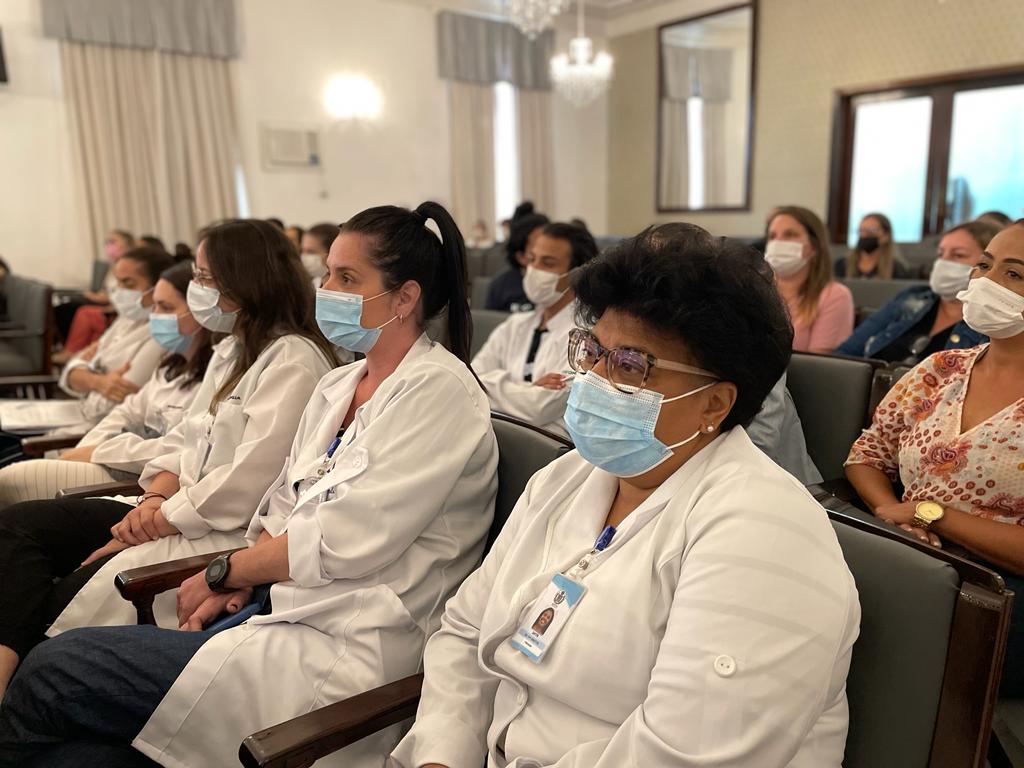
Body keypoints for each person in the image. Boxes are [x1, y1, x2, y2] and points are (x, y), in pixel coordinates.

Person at [0, 202, 499, 768]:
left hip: (346, 649)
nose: (325, 289)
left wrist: (226, 571)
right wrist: (241, 581)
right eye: (327, 273)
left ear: (404, 297)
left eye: (346, 278)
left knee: (54, 672)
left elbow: (342, 541)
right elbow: (281, 504)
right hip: (276, 611)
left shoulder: (439, 392)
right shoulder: (341, 385)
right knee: (80, 753)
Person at [391, 226, 859, 768]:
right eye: (592, 350)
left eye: (632, 364)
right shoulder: (566, 478)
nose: (592, 377)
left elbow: (685, 756)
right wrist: (442, 756)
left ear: (714, 404)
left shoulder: (767, 534)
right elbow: (464, 633)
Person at [0, 219, 338, 699]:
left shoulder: (293, 360)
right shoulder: (232, 349)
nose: (197, 287)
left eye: (204, 277)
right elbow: (184, 440)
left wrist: (157, 519)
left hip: (216, 529)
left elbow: (248, 484)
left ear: (243, 281)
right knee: (20, 526)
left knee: (54, 601)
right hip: (171, 506)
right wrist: (154, 498)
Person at [845, 220, 1024, 695]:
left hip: (993, 593)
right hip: (905, 554)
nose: (985, 282)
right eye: (984, 265)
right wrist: (888, 510)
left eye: (1013, 274)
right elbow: (867, 454)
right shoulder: (943, 368)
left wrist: (933, 515)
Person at [0, 261, 213, 507]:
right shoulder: (169, 362)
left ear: (200, 312)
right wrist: (87, 447)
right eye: (154, 305)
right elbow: (120, 408)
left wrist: (97, 449)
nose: (155, 316)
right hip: (106, 449)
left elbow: (175, 446)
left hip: (137, 473)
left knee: (8, 479)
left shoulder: (210, 375)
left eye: (165, 307)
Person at [473, 222, 598, 436]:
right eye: (532, 259)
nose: (534, 269)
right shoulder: (514, 325)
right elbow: (470, 382)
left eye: (547, 263)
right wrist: (529, 389)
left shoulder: (586, 335)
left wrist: (494, 385)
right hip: (498, 438)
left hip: (548, 449)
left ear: (576, 274)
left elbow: (540, 407)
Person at [836, 220, 1000, 363]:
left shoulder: (993, 325)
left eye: (958, 255)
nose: (943, 263)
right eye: (940, 254)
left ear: (988, 265)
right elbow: (846, 353)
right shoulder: (911, 298)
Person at [765, 206, 854, 353]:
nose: (778, 242)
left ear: (815, 247)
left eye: (790, 234)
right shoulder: (753, 290)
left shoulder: (834, 296)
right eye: (772, 236)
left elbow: (817, 362)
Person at [54, 229, 136, 354]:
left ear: (127, 244)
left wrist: (98, 297)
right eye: (107, 242)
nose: (109, 245)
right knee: (64, 309)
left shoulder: (131, 266)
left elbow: (122, 294)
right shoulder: (112, 266)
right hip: (110, 304)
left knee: (83, 312)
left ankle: (71, 351)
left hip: (117, 309)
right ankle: (76, 351)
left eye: (113, 242)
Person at [485, 212, 549, 312]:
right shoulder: (500, 286)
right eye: (539, 244)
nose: (549, 249)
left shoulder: (562, 282)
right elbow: (489, 319)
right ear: (521, 257)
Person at [836, 213, 909, 279]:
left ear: (886, 236)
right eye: (861, 231)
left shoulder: (896, 269)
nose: (864, 235)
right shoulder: (842, 265)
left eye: (871, 231)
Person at [300, 222, 341, 288]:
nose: (304, 257)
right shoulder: (313, 283)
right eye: (302, 251)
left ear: (330, 254)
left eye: (311, 252)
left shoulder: (341, 289)